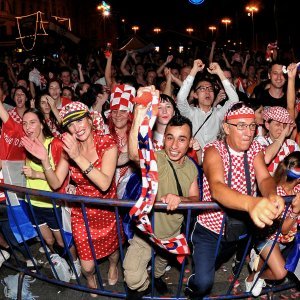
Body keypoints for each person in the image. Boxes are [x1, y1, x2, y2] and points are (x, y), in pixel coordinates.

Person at [21, 102, 124, 294]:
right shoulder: (70, 148)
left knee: (113, 249)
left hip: (107, 208)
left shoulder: (107, 143)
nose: (77, 127)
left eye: (80, 120)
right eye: (71, 124)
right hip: (81, 211)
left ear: (90, 119)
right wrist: (45, 160)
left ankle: (112, 266)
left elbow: (104, 184)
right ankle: (91, 280)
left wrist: (77, 156)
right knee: (87, 267)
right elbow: (55, 182)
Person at [185, 102, 285, 298]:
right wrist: (251, 203)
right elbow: (217, 188)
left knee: (218, 262)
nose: (248, 132)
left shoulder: (255, 147)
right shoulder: (213, 150)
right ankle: (192, 288)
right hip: (210, 231)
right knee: (204, 282)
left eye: (252, 126)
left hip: (236, 229)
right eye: (241, 126)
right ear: (226, 128)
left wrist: (272, 195)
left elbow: (264, 178)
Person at [123, 86, 199, 299]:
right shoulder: (157, 158)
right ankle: (145, 288)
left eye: (182, 139)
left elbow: (195, 198)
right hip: (146, 233)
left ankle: (155, 279)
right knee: (132, 275)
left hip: (171, 236)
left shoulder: (192, 167)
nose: (174, 145)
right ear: (163, 138)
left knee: (159, 267)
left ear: (190, 142)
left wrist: (180, 199)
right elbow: (134, 154)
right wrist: (139, 112)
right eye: (170, 138)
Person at [21, 108, 80, 279]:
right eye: (24, 123)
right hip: (33, 202)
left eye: (32, 122)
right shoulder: (27, 144)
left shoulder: (54, 144)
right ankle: (61, 261)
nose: (28, 127)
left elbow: (58, 178)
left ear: (41, 123)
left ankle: (74, 262)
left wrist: (36, 174)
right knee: (48, 241)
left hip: (52, 202)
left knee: (63, 240)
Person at [245, 151, 300, 297]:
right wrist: (295, 211)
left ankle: (254, 271)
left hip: (285, 240)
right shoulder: (275, 193)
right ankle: (257, 277)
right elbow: (283, 229)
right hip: (267, 238)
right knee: (280, 272)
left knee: (263, 267)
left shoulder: (297, 190)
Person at [176, 60, 239, 149]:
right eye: (202, 89)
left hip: (214, 159)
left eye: (210, 89)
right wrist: (194, 70)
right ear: (195, 94)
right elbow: (181, 98)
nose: (207, 92)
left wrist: (220, 73)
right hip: (195, 160)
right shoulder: (190, 113)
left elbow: (234, 99)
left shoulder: (218, 114)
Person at [255, 106, 298, 176]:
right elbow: (266, 158)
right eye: (277, 124)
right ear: (267, 125)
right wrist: (283, 134)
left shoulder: (291, 144)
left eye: (284, 125)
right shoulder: (260, 141)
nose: (281, 128)